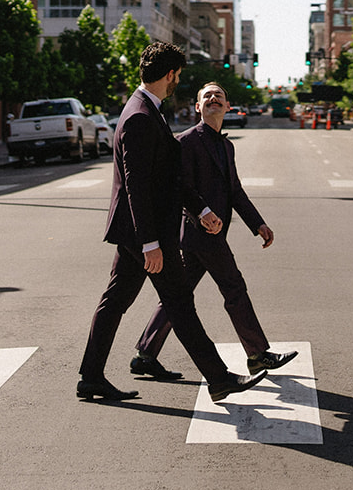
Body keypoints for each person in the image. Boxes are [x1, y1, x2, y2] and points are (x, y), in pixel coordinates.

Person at [78, 43, 268, 404]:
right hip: (145, 233)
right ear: (170, 75)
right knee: (180, 301)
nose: (177, 81)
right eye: (177, 76)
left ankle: (90, 376)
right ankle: (218, 377)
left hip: (138, 231)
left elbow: (169, 178)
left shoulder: (149, 110)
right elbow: (137, 183)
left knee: (115, 301)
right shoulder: (139, 116)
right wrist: (150, 242)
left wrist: (201, 209)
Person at [131, 82, 297, 381]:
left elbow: (235, 191)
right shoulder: (186, 141)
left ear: (227, 106)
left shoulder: (226, 145)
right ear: (198, 107)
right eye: (206, 96)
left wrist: (257, 223)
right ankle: (258, 353)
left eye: (219, 96)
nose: (212, 99)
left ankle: (145, 354)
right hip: (199, 232)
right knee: (234, 287)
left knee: (177, 296)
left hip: (208, 236)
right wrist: (201, 214)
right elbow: (182, 188)